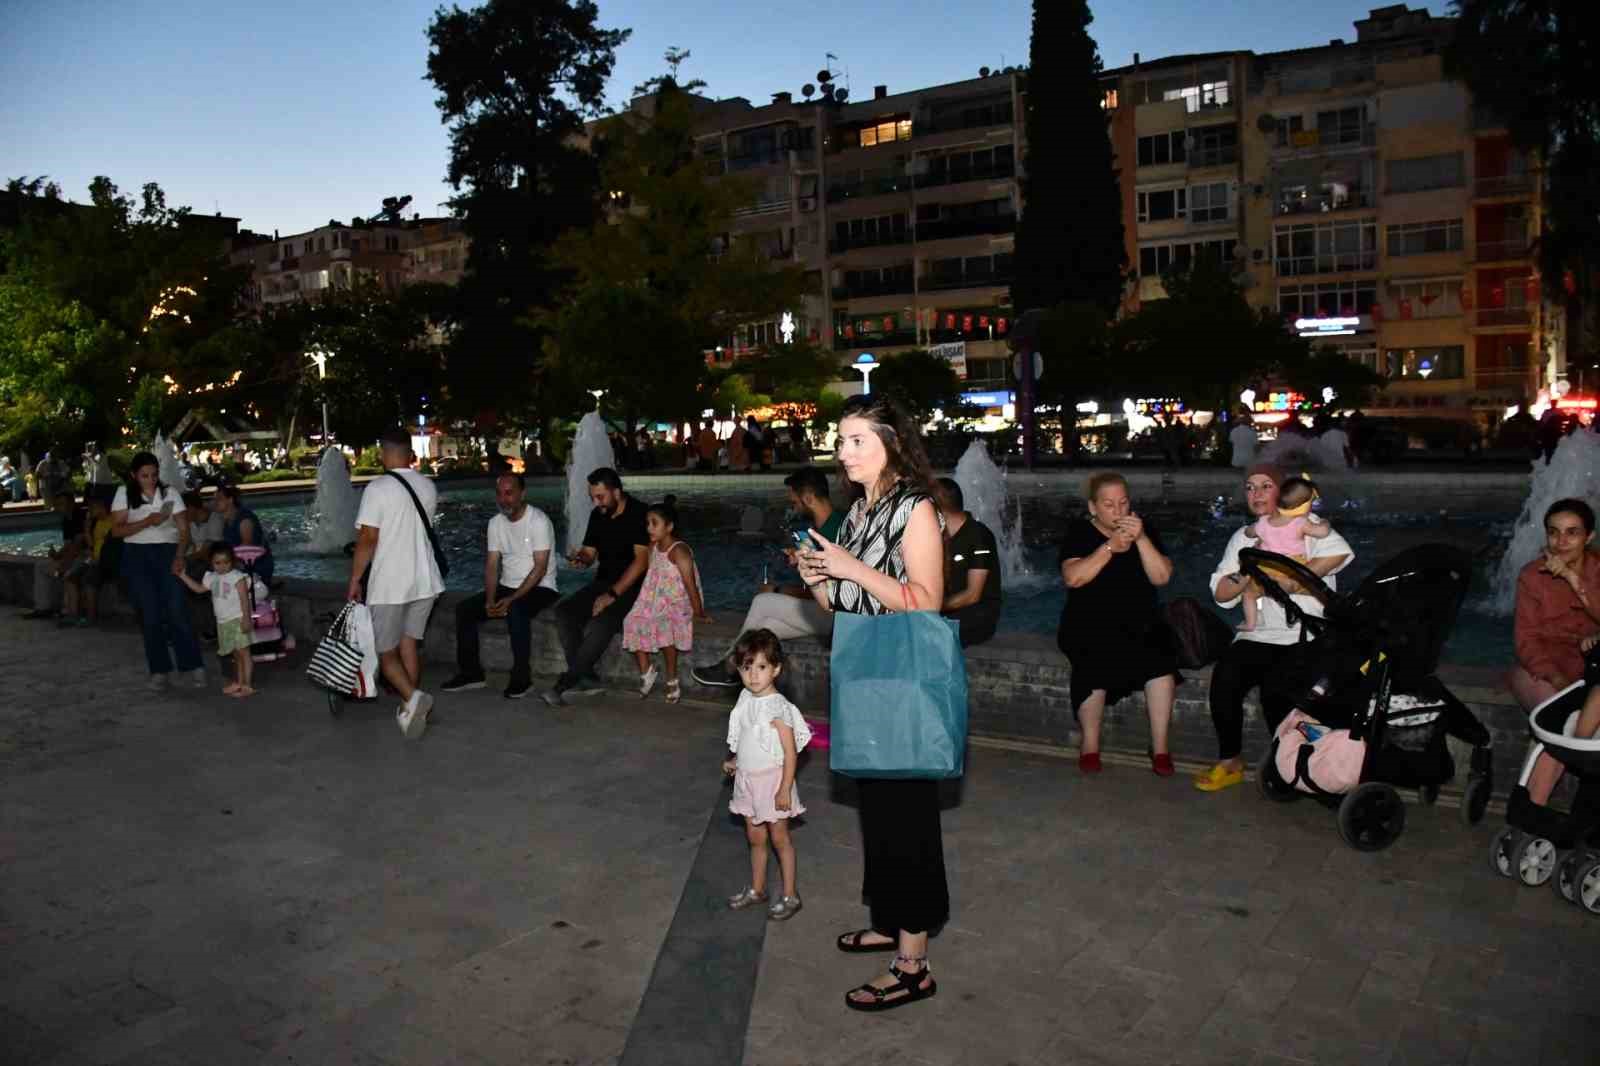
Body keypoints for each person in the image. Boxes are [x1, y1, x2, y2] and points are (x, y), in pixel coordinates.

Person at [794, 392, 946, 1013]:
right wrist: (821, 583)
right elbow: (845, 607)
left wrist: (850, 571)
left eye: (857, 439)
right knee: (877, 811)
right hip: (862, 674)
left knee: (907, 818)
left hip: (904, 682)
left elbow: (927, 600)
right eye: (840, 440)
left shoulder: (916, 510)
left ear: (891, 443)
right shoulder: (858, 514)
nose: (844, 451)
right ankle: (889, 919)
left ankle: (913, 965)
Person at [1193, 463, 1353, 792]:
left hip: (1307, 631)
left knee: (1276, 690)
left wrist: (1283, 577)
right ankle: (1230, 760)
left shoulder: (1306, 526)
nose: (1256, 494)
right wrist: (1246, 574)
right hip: (1259, 632)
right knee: (1226, 678)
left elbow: (1336, 555)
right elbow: (1222, 593)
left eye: (1265, 486)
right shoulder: (1245, 536)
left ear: (1281, 492)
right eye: (1250, 487)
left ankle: (1294, 767)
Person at [1057, 472, 1179, 776]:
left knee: (1160, 663)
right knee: (1092, 659)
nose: (1118, 511)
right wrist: (1110, 546)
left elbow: (1162, 577)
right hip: (1089, 620)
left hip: (1139, 619)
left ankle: (1161, 747)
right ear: (1093, 507)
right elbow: (1074, 577)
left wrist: (1142, 540)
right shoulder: (1079, 533)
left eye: (1123, 503)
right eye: (1109, 504)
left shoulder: (1144, 529)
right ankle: (1090, 744)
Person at [692, 467, 842, 688]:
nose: (793, 505)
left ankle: (730, 669)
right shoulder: (818, 529)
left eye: (795, 501)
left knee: (763, 602)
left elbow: (833, 590)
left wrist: (779, 590)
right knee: (765, 627)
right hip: (823, 612)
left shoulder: (837, 530)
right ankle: (737, 668)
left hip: (836, 617)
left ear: (808, 497)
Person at [348, 429, 445, 739]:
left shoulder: (378, 488)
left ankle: (414, 699)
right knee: (409, 643)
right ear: (409, 452)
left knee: (385, 651)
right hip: (425, 580)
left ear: (382, 452)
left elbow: (368, 539)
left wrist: (354, 578)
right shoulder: (427, 485)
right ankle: (408, 709)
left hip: (391, 582)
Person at [1510, 498, 1600, 805]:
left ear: (1589, 537)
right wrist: (1558, 681)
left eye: (1572, 533)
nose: (1561, 542)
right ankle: (1532, 810)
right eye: (1554, 532)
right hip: (1542, 670)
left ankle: (1534, 810)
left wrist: (1575, 581)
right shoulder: (1532, 576)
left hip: (1591, 672)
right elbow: (1527, 642)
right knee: (1556, 715)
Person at [442, 473, 559, 700]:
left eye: (509, 493)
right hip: (508, 585)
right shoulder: (495, 523)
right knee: (464, 610)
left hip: (542, 586)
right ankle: (471, 673)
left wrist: (512, 599)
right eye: (499, 493)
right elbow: (492, 565)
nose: (504, 499)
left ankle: (522, 678)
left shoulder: (539, 521)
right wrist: (490, 599)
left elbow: (540, 568)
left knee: (517, 610)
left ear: (522, 493)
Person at [722, 629, 811, 921]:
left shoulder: (778, 707)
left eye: (761, 667)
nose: (753, 675)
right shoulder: (746, 697)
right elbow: (750, 735)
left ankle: (790, 894)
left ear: (776, 669)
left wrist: (785, 788)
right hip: (748, 780)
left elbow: (789, 752)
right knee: (755, 838)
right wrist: (736, 759)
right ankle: (758, 889)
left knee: (780, 839)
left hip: (773, 783)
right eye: (747, 667)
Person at [541, 468, 650, 706]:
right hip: (603, 582)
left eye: (600, 496)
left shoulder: (639, 513)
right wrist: (580, 558)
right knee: (564, 611)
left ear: (617, 492)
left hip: (634, 586)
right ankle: (587, 677)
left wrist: (612, 595)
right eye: (593, 496)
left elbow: (642, 562)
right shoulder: (598, 514)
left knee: (602, 622)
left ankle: (565, 683)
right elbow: (590, 552)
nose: (596, 502)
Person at [111, 452, 207, 690]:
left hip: (168, 552)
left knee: (177, 610)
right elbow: (116, 531)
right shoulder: (124, 494)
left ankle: (193, 665)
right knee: (150, 615)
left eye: (154, 475)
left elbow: (184, 531)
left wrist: (179, 556)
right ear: (134, 475)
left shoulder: (170, 493)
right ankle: (159, 670)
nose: (150, 480)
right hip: (137, 555)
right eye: (144, 476)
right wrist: (146, 521)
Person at [622, 500, 711, 704]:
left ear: (669, 527)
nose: (649, 528)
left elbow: (691, 585)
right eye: (647, 523)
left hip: (679, 601)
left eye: (655, 523)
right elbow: (653, 574)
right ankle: (647, 672)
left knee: (664, 628)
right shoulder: (653, 546)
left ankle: (672, 678)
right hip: (656, 595)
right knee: (631, 620)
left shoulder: (680, 551)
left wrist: (699, 612)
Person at [1238, 475, 1331, 632]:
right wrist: (1325, 523)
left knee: (1248, 594)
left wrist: (1250, 530)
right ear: (1304, 506)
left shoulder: (1263, 522)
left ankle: (1250, 624)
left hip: (1267, 570)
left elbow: (1249, 533)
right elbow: (1322, 533)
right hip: (1293, 568)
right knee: (1321, 593)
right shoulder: (1300, 523)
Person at [176, 543, 256, 698]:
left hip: (237, 620)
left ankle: (247, 685)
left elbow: (244, 599)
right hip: (223, 622)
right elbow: (199, 589)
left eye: (226, 562)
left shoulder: (237, 577)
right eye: (217, 563)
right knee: (235, 654)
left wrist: (246, 619)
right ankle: (239, 682)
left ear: (232, 561)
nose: (222, 566)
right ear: (211, 563)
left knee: (244, 653)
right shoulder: (211, 577)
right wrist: (182, 576)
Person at [933, 478, 1002, 647]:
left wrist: (930, 607)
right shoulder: (936, 535)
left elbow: (973, 595)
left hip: (975, 617)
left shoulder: (979, 536)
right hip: (946, 613)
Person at [23, 492, 87, 622]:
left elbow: (78, 544)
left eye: (61, 504)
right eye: (57, 504)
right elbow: (69, 544)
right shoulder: (66, 520)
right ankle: (43, 607)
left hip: (83, 558)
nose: (58, 507)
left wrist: (64, 562)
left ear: (71, 503)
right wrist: (57, 555)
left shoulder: (80, 516)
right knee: (40, 566)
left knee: (66, 572)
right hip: (72, 557)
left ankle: (67, 610)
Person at [215, 484, 273, 584]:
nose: (215, 502)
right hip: (239, 563)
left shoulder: (244, 519)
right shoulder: (227, 520)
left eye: (219, 499)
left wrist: (226, 561)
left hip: (255, 567)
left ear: (230, 500)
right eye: (215, 499)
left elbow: (246, 546)